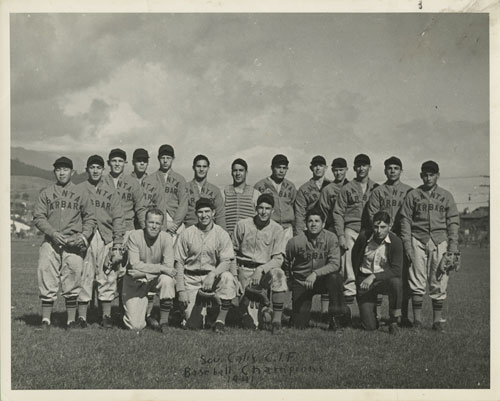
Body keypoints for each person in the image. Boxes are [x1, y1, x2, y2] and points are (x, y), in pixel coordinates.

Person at [33, 156, 96, 329]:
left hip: (73, 242)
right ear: (54, 172)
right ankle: (45, 320)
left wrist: (83, 236)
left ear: (72, 172)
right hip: (51, 241)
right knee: (46, 274)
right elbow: (38, 216)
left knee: (73, 276)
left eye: (65, 169)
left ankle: (71, 320)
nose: (62, 173)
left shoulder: (81, 192)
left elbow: (90, 218)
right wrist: (52, 232)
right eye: (59, 170)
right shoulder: (46, 192)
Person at [400, 161, 460, 332]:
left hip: (439, 239)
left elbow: (453, 221)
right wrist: (407, 244)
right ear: (421, 175)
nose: (428, 178)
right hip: (417, 239)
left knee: (439, 279)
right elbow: (405, 220)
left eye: (431, 174)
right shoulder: (414, 194)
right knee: (416, 279)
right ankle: (417, 321)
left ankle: (437, 321)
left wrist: (453, 246)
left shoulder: (446, 195)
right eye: (425, 174)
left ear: (437, 175)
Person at [77, 155, 125, 328]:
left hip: (106, 237)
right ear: (87, 169)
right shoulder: (79, 189)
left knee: (108, 274)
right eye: (92, 167)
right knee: (84, 275)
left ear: (103, 170)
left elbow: (118, 217)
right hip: (86, 237)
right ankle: (82, 317)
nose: (95, 170)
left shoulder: (111, 191)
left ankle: (106, 316)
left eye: (99, 167)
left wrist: (118, 243)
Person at [174, 198, 237, 333]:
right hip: (191, 279)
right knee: (193, 325)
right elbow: (178, 262)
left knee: (227, 277)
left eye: (207, 211)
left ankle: (219, 320)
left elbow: (227, 261)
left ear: (213, 212)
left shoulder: (221, 234)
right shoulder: (187, 233)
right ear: (196, 214)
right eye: (200, 212)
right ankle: (188, 311)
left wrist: (213, 274)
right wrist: (181, 290)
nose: (204, 215)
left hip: (212, 279)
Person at [366, 156, 413, 326]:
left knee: (402, 277)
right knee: (378, 272)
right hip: (381, 237)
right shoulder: (378, 191)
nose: (392, 171)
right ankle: (376, 315)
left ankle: (402, 316)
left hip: (401, 238)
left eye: (396, 168)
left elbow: (411, 216)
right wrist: (382, 231)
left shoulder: (409, 191)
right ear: (385, 171)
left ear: (401, 170)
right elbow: (372, 214)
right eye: (389, 168)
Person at [285, 208, 350, 330]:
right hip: (303, 282)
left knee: (335, 278)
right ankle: (297, 316)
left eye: (317, 221)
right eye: (310, 221)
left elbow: (335, 264)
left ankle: (336, 318)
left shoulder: (331, 238)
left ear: (323, 224)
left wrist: (316, 273)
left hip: (322, 280)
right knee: (299, 326)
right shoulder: (295, 241)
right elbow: (287, 261)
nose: (313, 224)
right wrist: (290, 280)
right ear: (306, 223)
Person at [232, 194, 288, 333]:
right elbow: (231, 253)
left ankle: (276, 322)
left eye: (267, 208)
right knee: (251, 324)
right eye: (261, 208)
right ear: (255, 208)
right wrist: (235, 276)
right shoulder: (242, 225)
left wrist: (261, 269)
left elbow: (278, 259)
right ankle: (259, 310)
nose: (263, 211)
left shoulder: (277, 229)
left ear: (272, 211)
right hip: (244, 270)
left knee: (279, 274)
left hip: (264, 272)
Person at [333, 153, 378, 311]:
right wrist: (340, 235)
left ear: (369, 167)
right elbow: (337, 212)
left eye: (364, 165)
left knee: (371, 268)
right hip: (351, 230)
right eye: (358, 166)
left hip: (371, 231)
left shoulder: (376, 188)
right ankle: (349, 313)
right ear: (354, 168)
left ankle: (373, 313)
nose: (361, 168)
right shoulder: (347, 188)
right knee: (349, 272)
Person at [122, 208, 176, 332]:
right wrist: (161, 268)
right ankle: (146, 316)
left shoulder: (166, 238)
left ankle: (164, 322)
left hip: (146, 277)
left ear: (162, 225)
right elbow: (134, 265)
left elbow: (169, 267)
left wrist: (144, 274)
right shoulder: (135, 236)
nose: (154, 226)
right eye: (151, 222)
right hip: (136, 282)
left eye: (157, 223)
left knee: (167, 280)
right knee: (135, 326)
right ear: (145, 222)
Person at [351, 211, 403, 333]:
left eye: (383, 227)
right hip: (364, 279)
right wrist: (359, 279)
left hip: (383, 279)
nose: (379, 230)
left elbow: (396, 270)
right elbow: (355, 257)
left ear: (389, 227)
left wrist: (374, 276)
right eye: (376, 226)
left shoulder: (396, 242)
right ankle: (373, 317)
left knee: (396, 283)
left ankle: (394, 320)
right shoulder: (364, 237)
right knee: (369, 327)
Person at [142, 144, 188, 238]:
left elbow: (183, 204)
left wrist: (175, 224)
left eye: (168, 158)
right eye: (163, 158)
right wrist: (163, 224)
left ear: (173, 158)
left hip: (176, 224)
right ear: (158, 159)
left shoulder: (180, 179)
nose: (165, 161)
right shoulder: (149, 179)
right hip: (155, 223)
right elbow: (145, 205)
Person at [254, 154, 297, 245]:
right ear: (272, 168)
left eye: (284, 168)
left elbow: (293, 205)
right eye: (278, 167)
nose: (281, 171)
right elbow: (255, 207)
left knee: (287, 256)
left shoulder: (291, 186)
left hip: (287, 228)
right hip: (268, 227)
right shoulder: (260, 185)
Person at [102, 148, 147, 233]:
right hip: (106, 228)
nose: (117, 164)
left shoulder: (133, 182)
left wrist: (146, 230)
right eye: (114, 161)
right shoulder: (102, 182)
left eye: (120, 161)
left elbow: (140, 209)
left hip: (127, 228)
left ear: (125, 163)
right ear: (108, 163)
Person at [184, 154, 226, 230]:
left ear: (208, 168)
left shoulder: (215, 190)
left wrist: (222, 234)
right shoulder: (184, 188)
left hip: (209, 231)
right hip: (188, 230)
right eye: (198, 166)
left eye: (204, 166)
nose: (201, 169)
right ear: (193, 168)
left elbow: (220, 216)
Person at [223, 158, 261, 238]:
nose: (238, 173)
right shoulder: (224, 192)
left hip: (249, 237)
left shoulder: (255, 193)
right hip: (228, 237)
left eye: (241, 170)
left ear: (246, 172)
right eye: (235, 170)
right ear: (231, 172)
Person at [294, 155, 331, 235]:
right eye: (315, 166)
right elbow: (300, 214)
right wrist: (300, 235)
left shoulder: (331, 186)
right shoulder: (304, 189)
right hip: (311, 226)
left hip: (329, 227)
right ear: (311, 168)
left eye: (321, 166)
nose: (318, 168)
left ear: (326, 168)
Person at [319, 157, 349, 233]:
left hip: (349, 225)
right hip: (333, 226)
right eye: (336, 170)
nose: (338, 173)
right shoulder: (327, 190)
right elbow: (323, 211)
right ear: (332, 170)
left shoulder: (351, 187)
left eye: (341, 170)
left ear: (346, 169)